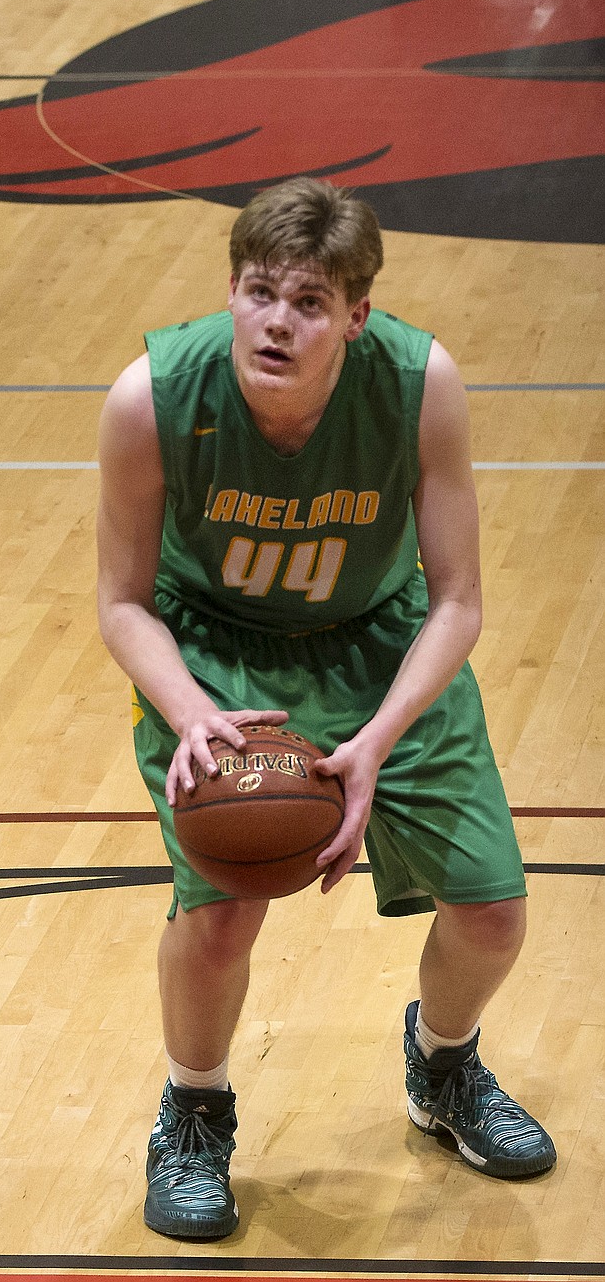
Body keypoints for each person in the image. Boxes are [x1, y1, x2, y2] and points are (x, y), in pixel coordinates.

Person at [95, 177, 556, 1242]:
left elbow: (458, 603)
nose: (278, 322)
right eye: (260, 293)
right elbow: (122, 604)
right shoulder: (151, 397)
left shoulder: (419, 383)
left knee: (491, 917)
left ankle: (442, 1069)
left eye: (310, 304)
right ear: (232, 292)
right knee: (219, 915)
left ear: (356, 315)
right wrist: (195, 715)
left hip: (382, 646)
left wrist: (374, 743)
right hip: (214, 661)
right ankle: (193, 1113)